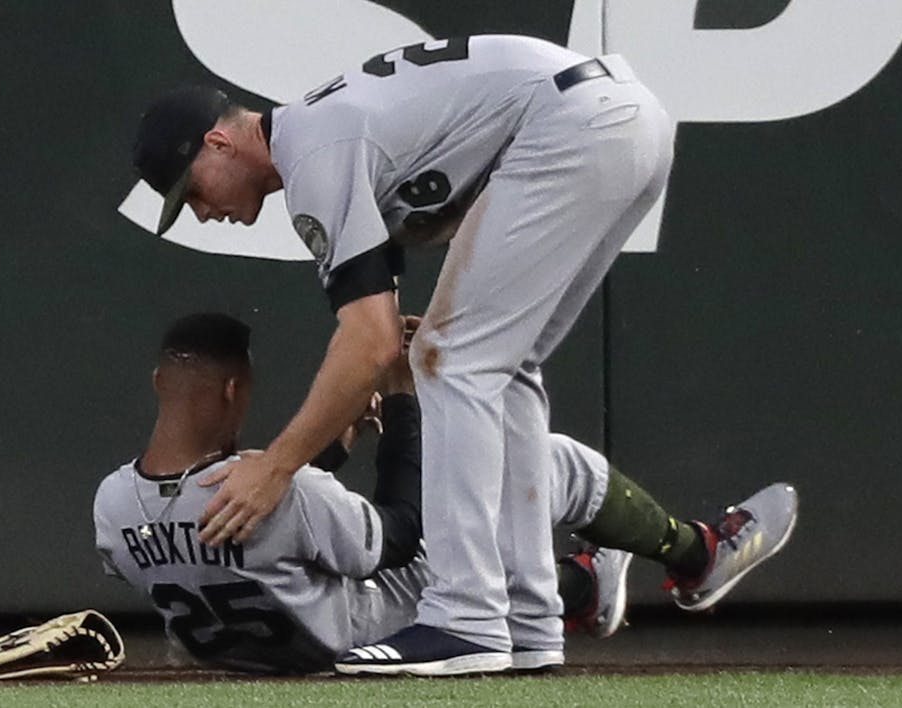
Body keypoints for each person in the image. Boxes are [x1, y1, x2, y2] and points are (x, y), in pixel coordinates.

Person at [131, 34, 677, 674]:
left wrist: (276, 467)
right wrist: (386, 356)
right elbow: (380, 330)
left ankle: (464, 617)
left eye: (190, 192)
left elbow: (370, 342)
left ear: (218, 144)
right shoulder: (320, 138)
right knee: (497, 367)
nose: (199, 212)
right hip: (619, 119)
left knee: (454, 363)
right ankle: (530, 619)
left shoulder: (314, 155)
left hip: (572, 127)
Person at [92, 313, 797, 674]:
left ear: (158, 383)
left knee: (492, 527)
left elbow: (268, 533)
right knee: (541, 463)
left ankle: (580, 589)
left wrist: (333, 447)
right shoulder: (267, 482)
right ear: (233, 390)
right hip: (380, 629)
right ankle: (698, 556)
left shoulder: (113, 505)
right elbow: (396, 534)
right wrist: (402, 403)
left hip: (259, 656)